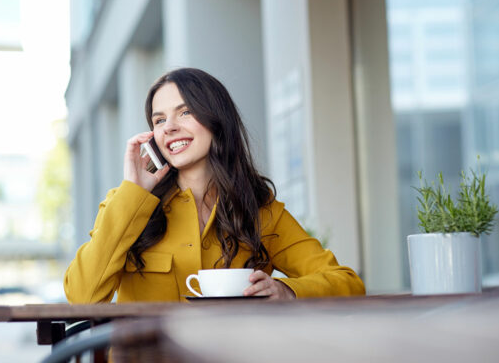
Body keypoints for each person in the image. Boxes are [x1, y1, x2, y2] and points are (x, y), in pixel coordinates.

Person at [64, 68, 365, 303]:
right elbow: (82, 296)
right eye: (158, 120)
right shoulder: (126, 203)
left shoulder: (259, 210)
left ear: (216, 120)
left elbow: (347, 282)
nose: (169, 127)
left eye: (185, 112)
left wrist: (287, 291)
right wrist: (135, 193)